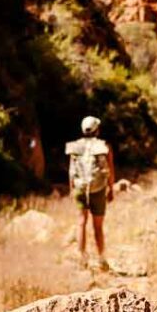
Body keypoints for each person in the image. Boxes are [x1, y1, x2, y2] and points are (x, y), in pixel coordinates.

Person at [66, 115, 115, 271]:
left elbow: (71, 171)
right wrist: (111, 188)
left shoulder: (75, 147)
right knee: (98, 226)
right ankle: (101, 259)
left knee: (81, 222)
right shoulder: (104, 146)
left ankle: (82, 258)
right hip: (98, 188)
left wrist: (71, 189)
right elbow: (110, 170)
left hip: (80, 188)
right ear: (97, 130)